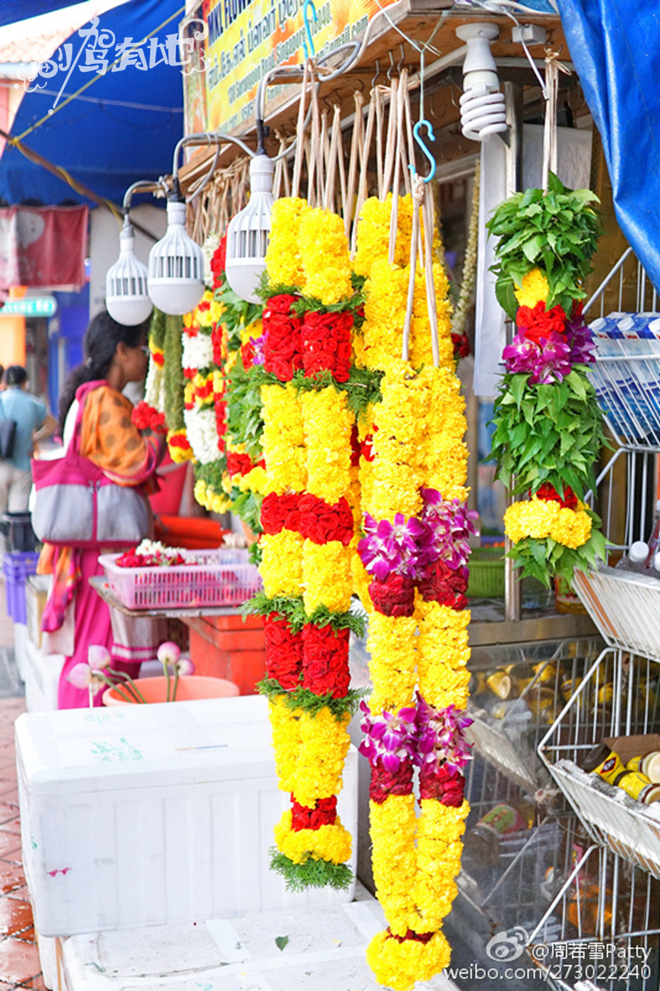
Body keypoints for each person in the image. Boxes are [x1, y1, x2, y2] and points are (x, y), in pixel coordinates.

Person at [38, 310, 166, 708]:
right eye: (141, 348)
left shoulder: (87, 397)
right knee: (100, 655)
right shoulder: (104, 400)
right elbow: (138, 462)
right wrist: (160, 430)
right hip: (101, 554)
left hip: (90, 549)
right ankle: (82, 733)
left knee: (96, 652)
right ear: (122, 351)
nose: (145, 357)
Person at [0, 365, 57, 515]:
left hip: (1, 464)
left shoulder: (1, 400)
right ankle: (15, 539)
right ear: (26, 382)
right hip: (23, 466)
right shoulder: (34, 403)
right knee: (18, 515)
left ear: (5, 382)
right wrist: (34, 438)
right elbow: (52, 425)